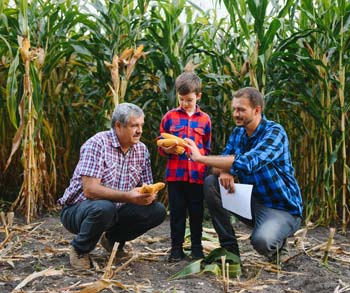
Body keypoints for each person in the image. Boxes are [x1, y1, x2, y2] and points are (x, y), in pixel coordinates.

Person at [184, 87, 302, 262]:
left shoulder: (275, 132)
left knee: (262, 242)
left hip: (282, 208)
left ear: (257, 110)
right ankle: (230, 250)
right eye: (234, 109)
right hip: (252, 202)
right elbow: (220, 164)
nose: (236, 114)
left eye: (241, 110)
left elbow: (249, 163)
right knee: (211, 183)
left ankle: (279, 242)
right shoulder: (238, 132)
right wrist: (225, 170)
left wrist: (200, 158)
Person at [58, 103, 167, 269]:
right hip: (79, 210)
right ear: (118, 126)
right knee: (104, 208)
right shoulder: (97, 144)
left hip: (115, 211)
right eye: (134, 126)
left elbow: (146, 185)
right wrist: (128, 196)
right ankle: (79, 249)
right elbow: (90, 190)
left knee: (157, 211)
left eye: (141, 125)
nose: (140, 131)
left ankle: (112, 240)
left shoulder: (141, 150)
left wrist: (149, 196)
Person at [158, 71, 212, 262]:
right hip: (176, 175)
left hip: (196, 175)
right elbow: (160, 142)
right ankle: (176, 249)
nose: (184, 104)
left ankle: (197, 248)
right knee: (177, 212)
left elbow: (206, 147)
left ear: (198, 96)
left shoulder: (205, 120)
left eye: (188, 100)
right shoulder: (170, 117)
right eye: (181, 99)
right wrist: (169, 150)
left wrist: (200, 158)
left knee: (196, 213)